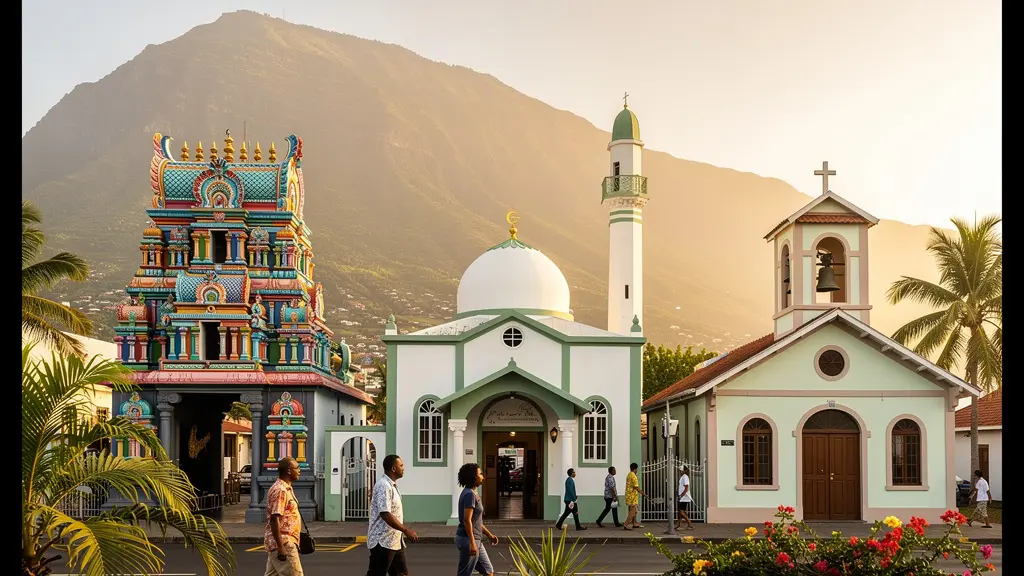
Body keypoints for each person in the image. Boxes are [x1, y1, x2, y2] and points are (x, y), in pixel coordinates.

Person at [366, 455, 419, 576]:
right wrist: (406, 530)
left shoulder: (392, 486)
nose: (403, 468)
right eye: (401, 465)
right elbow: (385, 514)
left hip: (395, 541)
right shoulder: (384, 485)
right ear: (394, 469)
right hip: (382, 541)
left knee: (401, 573)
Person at [455, 463, 500, 576]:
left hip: (475, 539)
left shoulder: (472, 493)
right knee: (464, 573)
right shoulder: (469, 494)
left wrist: (489, 535)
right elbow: (467, 520)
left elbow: (476, 521)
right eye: (480, 474)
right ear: (473, 477)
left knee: (488, 571)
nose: (483, 477)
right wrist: (472, 543)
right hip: (468, 540)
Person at [264, 456, 304, 576]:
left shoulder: (286, 488)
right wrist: (281, 547)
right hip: (284, 542)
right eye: (297, 468)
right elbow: (274, 519)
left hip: (282, 541)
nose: (299, 471)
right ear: (288, 470)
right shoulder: (280, 490)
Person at [623, 462, 646, 530]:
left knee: (633, 511)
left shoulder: (629, 474)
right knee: (634, 511)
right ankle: (626, 524)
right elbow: (636, 487)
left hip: (629, 495)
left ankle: (635, 523)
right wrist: (643, 493)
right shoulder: (634, 476)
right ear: (635, 469)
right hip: (633, 497)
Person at [676, 466, 694, 530]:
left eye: (681, 470)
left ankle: (690, 524)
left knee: (681, 512)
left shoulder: (685, 477)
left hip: (684, 497)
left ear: (684, 471)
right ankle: (678, 524)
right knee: (680, 512)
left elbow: (686, 488)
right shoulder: (683, 477)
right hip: (682, 497)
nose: (680, 471)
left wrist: (681, 495)